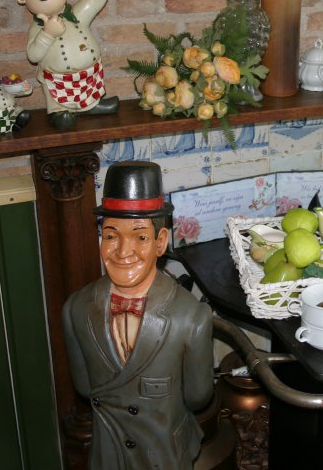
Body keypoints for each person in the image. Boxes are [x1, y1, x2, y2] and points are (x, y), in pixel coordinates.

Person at [62, 161, 214, 469]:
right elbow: (85, 389)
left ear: (161, 242)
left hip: (165, 455)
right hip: (108, 455)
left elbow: (198, 398)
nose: (122, 251)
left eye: (140, 237)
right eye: (111, 235)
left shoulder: (190, 318)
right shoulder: (76, 310)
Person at [4, 0, 120, 131]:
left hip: (89, 76)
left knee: (90, 94)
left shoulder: (77, 14)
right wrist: (47, 34)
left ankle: (91, 105)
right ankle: (59, 112)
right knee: (59, 108)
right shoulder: (38, 28)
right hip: (58, 80)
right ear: (22, 0)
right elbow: (33, 56)